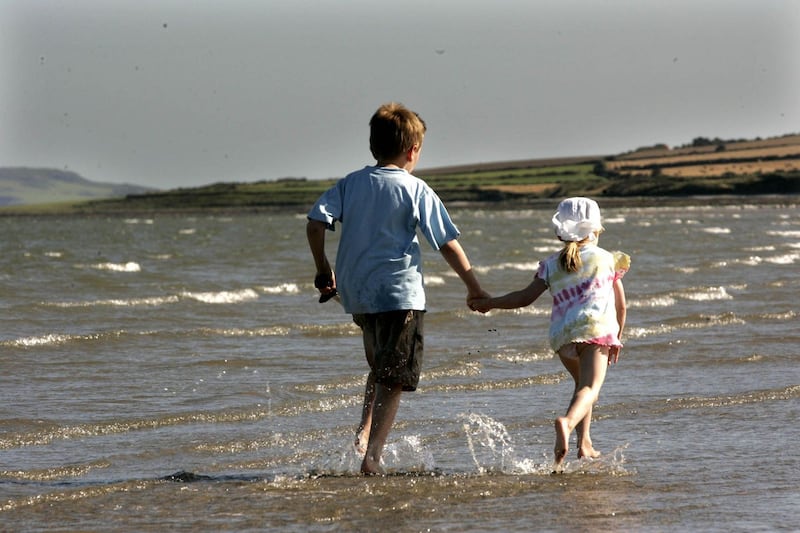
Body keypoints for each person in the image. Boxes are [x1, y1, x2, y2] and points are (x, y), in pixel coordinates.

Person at [306, 102, 488, 475]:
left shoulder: (350, 184)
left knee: (380, 365)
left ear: (374, 147)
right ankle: (372, 457)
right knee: (395, 376)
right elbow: (446, 243)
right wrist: (475, 287)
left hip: (359, 295)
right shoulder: (415, 188)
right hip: (399, 295)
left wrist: (323, 267)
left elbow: (314, 223)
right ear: (413, 150)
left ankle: (363, 433)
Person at [470, 197, 629, 469]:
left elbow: (523, 298)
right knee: (591, 388)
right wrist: (617, 337)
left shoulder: (551, 264)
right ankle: (567, 423)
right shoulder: (608, 259)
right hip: (596, 331)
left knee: (582, 387)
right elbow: (621, 305)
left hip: (563, 337)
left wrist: (490, 302)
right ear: (596, 229)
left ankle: (585, 444)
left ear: (560, 232)